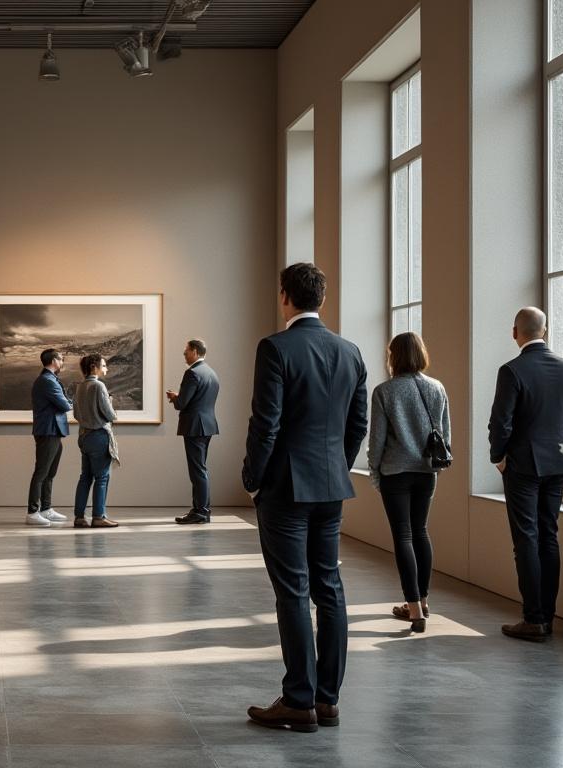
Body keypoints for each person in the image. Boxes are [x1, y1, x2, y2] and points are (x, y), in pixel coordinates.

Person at [241, 263, 367, 733]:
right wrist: (335, 464)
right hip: (331, 486)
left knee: (293, 591)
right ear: (322, 299)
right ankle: (327, 699)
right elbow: (358, 425)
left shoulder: (275, 348)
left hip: (285, 488)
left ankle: (298, 700)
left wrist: (252, 477)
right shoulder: (350, 351)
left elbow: (265, 423)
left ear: (284, 297)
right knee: (329, 588)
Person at [488, 307, 563, 642]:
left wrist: (498, 457)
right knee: (548, 535)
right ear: (546, 331)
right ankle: (547, 617)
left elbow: (501, 422)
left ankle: (534, 618)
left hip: (523, 465)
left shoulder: (512, 370)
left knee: (526, 538)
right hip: (558, 462)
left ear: (516, 333)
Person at [367, 332, 450, 633]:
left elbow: (376, 440)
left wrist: (374, 471)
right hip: (427, 471)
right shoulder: (437, 387)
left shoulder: (384, 391)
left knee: (402, 536)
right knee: (420, 532)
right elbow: (445, 434)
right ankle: (424, 601)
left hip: (395, 472)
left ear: (393, 356)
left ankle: (413, 609)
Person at [167, 339, 220, 525]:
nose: (184, 354)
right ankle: (203, 510)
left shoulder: (192, 373)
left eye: (186, 351)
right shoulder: (211, 373)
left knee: (197, 471)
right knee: (201, 469)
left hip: (194, 427)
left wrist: (175, 397)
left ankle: (200, 511)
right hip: (207, 425)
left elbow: (182, 404)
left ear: (195, 352)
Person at [72, 354, 120, 528]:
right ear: (94, 367)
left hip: (83, 436)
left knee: (85, 477)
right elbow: (110, 415)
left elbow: (76, 414)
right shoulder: (99, 386)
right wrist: (111, 403)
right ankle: (98, 517)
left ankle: (79, 517)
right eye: (104, 365)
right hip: (99, 436)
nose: (106, 368)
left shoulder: (80, 387)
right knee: (102, 478)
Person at [27, 348, 74, 526]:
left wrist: (67, 401)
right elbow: (64, 405)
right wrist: (70, 402)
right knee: (41, 472)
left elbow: (63, 402)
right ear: (54, 361)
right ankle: (32, 512)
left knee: (50, 473)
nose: (62, 362)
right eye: (61, 359)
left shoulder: (50, 379)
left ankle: (46, 509)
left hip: (53, 431)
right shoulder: (47, 381)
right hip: (48, 431)